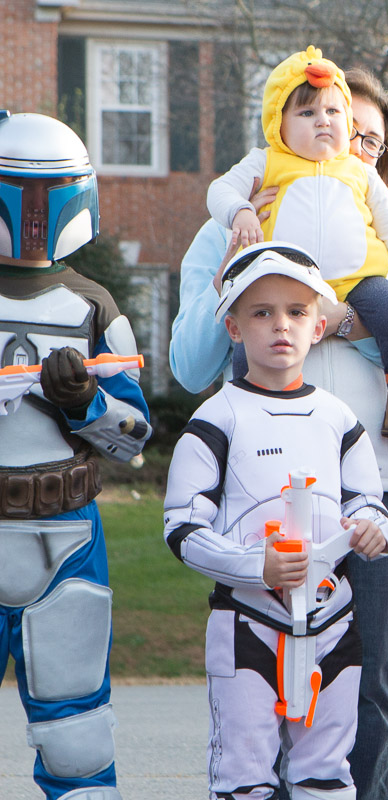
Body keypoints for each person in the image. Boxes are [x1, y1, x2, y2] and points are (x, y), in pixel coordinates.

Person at [171, 67, 388, 800]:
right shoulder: (234, 224)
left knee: (368, 687)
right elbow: (190, 365)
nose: (346, 143)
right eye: (327, 121)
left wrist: (338, 316)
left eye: (368, 140)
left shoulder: (383, 244)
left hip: (385, 486)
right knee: (266, 686)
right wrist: (241, 278)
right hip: (263, 496)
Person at [163, 243, 388, 800]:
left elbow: (369, 502)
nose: (281, 325)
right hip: (247, 622)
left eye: (296, 311)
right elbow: (182, 528)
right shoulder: (216, 417)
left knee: (325, 775)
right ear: (234, 328)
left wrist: (372, 529)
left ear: (319, 326)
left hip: (332, 623)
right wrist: (255, 565)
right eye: (261, 312)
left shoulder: (339, 418)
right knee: (243, 780)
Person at [0, 110, 152, 800]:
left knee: (76, 737)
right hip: (53, 533)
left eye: (47, 197)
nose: (34, 217)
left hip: (65, 534)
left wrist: (86, 402)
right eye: (22, 196)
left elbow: (133, 437)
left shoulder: (93, 307)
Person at [207, 46, 388, 445]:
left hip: (358, 281)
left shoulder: (361, 174)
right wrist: (241, 211)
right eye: (307, 113)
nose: (323, 121)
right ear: (278, 123)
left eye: (333, 111)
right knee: (254, 340)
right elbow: (219, 189)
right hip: (284, 281)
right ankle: (250, 415)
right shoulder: (266, 162)